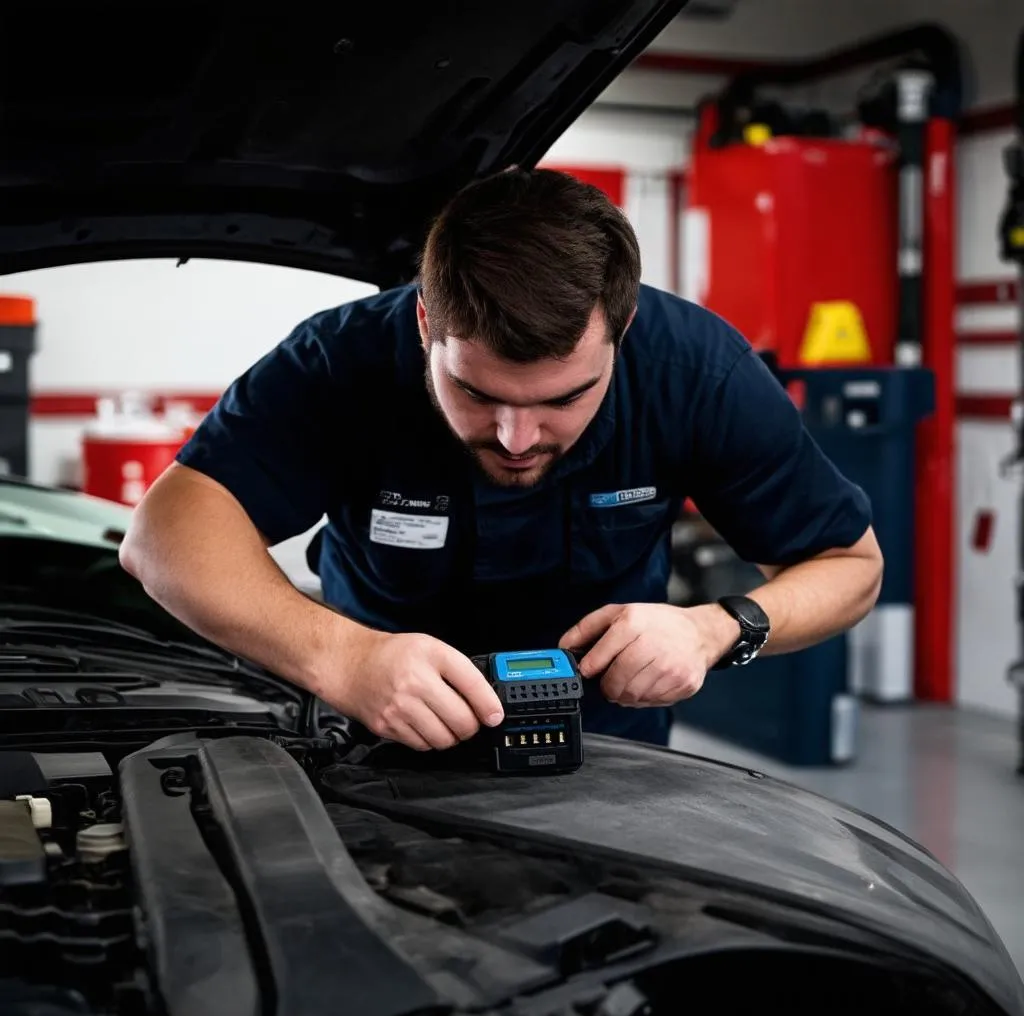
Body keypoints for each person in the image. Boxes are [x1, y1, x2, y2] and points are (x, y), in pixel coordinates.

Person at [119, 167, 884, 750]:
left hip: (609, 753)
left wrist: (718, 628)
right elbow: (164, 539)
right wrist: (341, 659)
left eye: (563, 399)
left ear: (622, 333)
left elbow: (851, 566)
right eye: (477, 393)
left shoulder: (697, 370)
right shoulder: (339, 362)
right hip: (371, 735)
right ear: (425, 324)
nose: (518, 438)